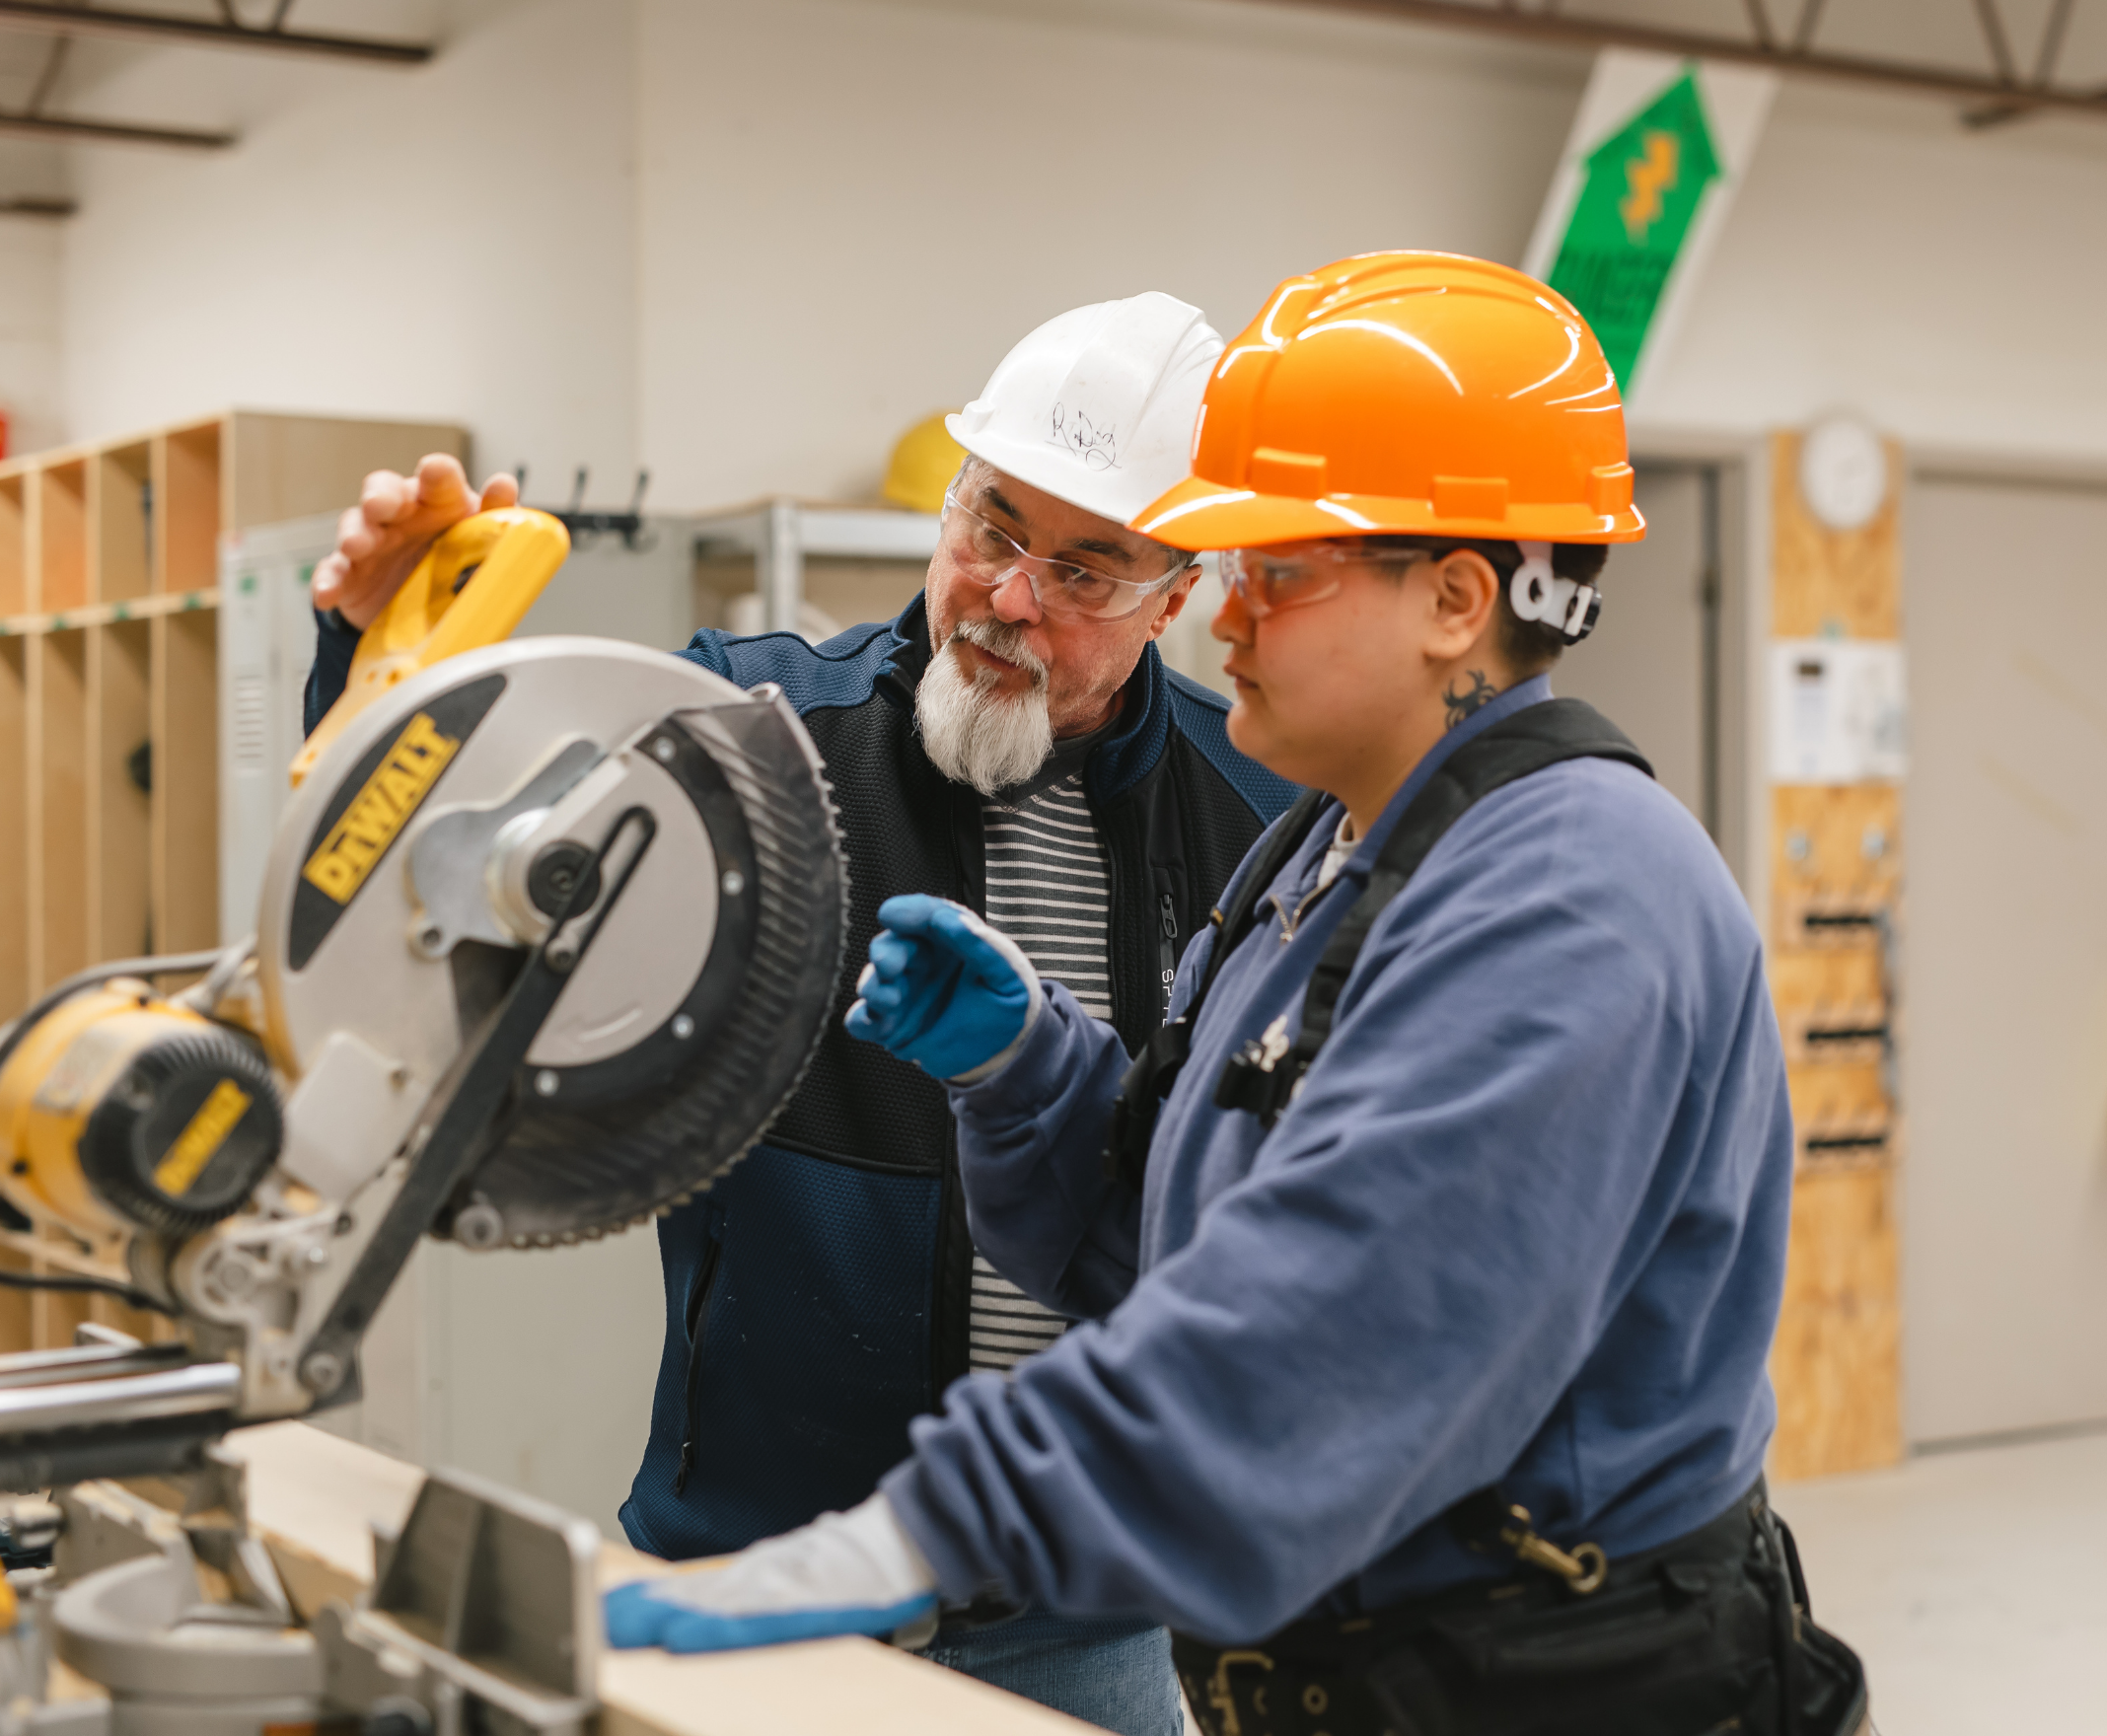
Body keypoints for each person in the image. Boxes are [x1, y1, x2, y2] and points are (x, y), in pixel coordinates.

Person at [602, 251, 1869, 1734]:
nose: (1230, 620)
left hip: (1548, 1682)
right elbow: (1179, 1237)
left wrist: (924, 1529)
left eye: (1275, 571)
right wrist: (1035, 1076)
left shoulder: (1574, 893)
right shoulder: (1324, 852)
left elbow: (1329, 1331)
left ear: (1457, 601)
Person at [304, 292, 1297, 1736]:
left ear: (1183, 592)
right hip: (746, 1585)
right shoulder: (752, 746)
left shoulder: (1255, 814)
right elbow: (441, 878)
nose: (1012, 599)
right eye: (994, 528)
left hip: (1085, 1630)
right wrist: (370, 658)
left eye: (1087, 572)